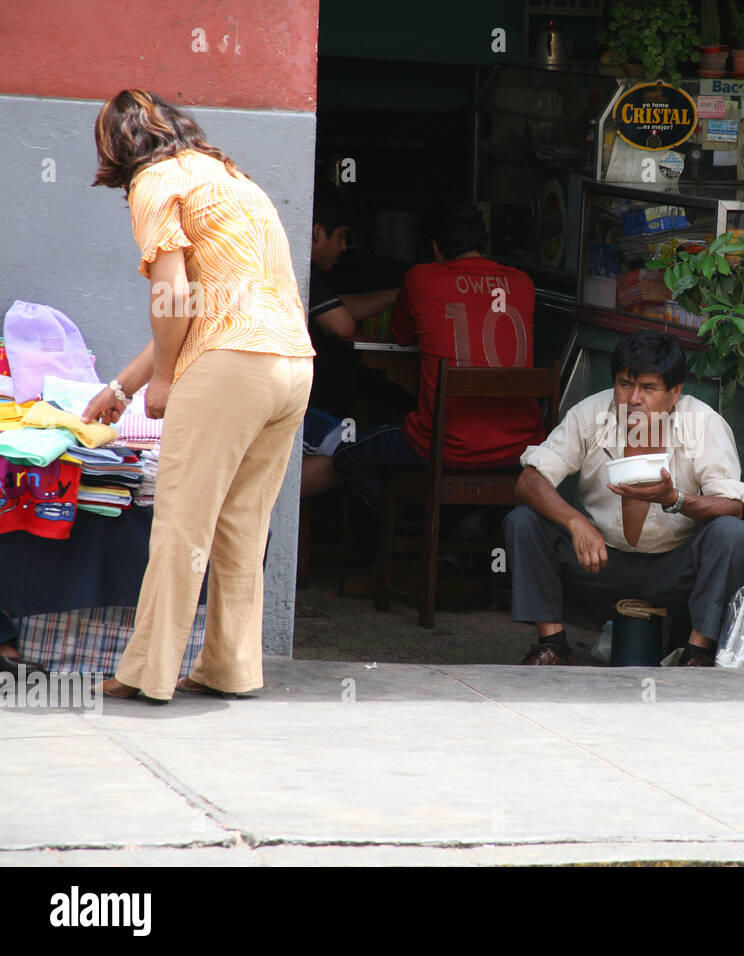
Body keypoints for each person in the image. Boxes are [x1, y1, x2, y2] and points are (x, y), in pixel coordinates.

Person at [83, 89, 315, 702]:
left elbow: (175, 299)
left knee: (181, 526)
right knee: (243, 523)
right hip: (291, 363)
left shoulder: (154, 184)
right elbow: (202, 302)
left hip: (230, 365)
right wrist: (123, 386)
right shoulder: (232, 177)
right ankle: (231, 669)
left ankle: (146, 673)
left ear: (117, 146)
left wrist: (161, 384)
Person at [505, 331, 744, 667]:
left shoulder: (704, 423)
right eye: (624, 384)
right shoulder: (591, 414)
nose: (634, 398)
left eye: (649, 388)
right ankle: (553, 646)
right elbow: (528, 481)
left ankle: (698, 653)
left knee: (731, 534)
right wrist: (575, 522)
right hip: (600, 563)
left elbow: (732, 507)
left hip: (675, 570)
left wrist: (676, 499)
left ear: (675, 391)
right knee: (524, 519)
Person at [306, 203, 544, 507]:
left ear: (436, 249)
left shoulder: (422, 278)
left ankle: (409, 531)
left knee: (348, 458)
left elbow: (402, 334)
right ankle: (457, 530)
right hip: (521, 446)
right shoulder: (523, 283)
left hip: (445, 446)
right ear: (484, 245)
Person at [299, 189, 404, 491]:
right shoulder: (300, 269)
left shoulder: (301, 270)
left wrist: (396, 296)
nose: (345, 247)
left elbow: (337, 308)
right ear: (318, 233)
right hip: (283, 410)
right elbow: (343, 324)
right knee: (357, 455)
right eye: (342, 237)